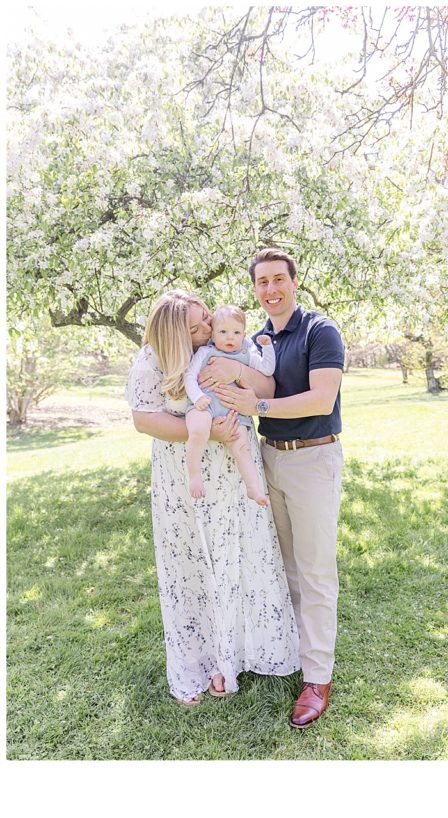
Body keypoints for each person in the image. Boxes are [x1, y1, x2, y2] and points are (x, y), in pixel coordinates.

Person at [126, 290, 300, 706]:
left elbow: (267, 384)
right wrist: (202, 431)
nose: (207, 329)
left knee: (240, 555)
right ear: (173, 334)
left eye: (207, 319)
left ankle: (242, 653)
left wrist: (235, 374)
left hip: (236, 472)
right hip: (185, 478)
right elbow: (143, 419)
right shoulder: (153, 359)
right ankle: (199, 663)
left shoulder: (226, 343)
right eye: (196, 327)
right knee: (194, 565)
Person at [213, 249, 345, 729]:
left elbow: (320, 397)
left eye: (277, 280)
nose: (270, 290)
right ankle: (290, 649)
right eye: (261, 283)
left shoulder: (320, 331)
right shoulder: (256, 338)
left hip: (312, 458)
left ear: (294, 280)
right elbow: (247, 380)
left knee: (314, 571)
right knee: (283, 565)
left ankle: (317, 676)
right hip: (269, 456)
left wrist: (255, 406)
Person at [184, 305, 275, 506]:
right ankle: (194, 475)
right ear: (213, 334)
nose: (230, 338)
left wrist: (267, 348)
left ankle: (254, 488)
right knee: (198, 430)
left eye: (236, 332)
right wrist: (198, 397)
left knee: (242, 447)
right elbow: (189, 376)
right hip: (204, 405)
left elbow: (267, 370)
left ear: (244, 335)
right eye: (223, 332)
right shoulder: (205, 352)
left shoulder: (247, 354)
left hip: (233, 411)